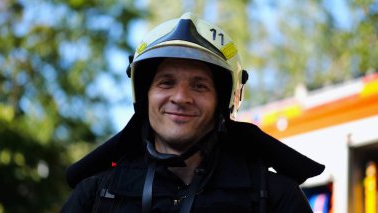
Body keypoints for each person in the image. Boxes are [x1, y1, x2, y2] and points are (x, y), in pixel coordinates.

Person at [61, 13, 324, 212]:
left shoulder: (275, 197)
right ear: (144, 96)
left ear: (223, 102)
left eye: (199, 86)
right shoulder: (96, 195)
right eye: (166, 82)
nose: (181, 97)